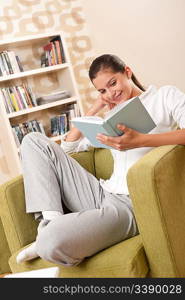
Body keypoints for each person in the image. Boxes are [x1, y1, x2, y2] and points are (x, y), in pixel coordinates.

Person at [16, 54, 185, 266]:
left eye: (113, 83)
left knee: (50, 242)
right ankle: (51, 221)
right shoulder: (110, 119)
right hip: (100, 193)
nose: (111, 93)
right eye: (102, 90)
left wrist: (141, 141)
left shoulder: (163, 96)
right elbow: (68, 148)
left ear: (127, 72)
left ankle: (48, 236)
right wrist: (94, 109)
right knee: (32, 141)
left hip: (130, 205)